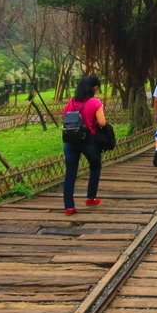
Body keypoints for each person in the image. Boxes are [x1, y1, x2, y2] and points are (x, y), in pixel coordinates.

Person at [62, 75, 107, 215]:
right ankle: (90, 197)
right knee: (95, 166)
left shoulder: (71, 102)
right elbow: (102, 122)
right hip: (88, 140)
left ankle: (69, 207)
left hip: (70, 141)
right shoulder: (95, 102)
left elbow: (65, 117)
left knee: (70, 173)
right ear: (94, 88)